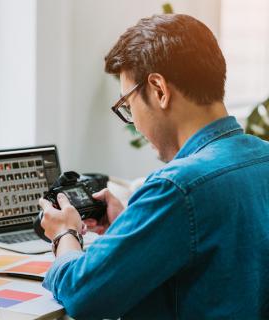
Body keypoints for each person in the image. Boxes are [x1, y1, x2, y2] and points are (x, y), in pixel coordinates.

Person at [39, 14, 269, 319]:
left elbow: (83, 294)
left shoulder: (178, 188)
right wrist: (132, 228)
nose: (134, 124)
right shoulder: (262, 156)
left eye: (128, 106)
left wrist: (64, 235)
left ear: (159, 89)